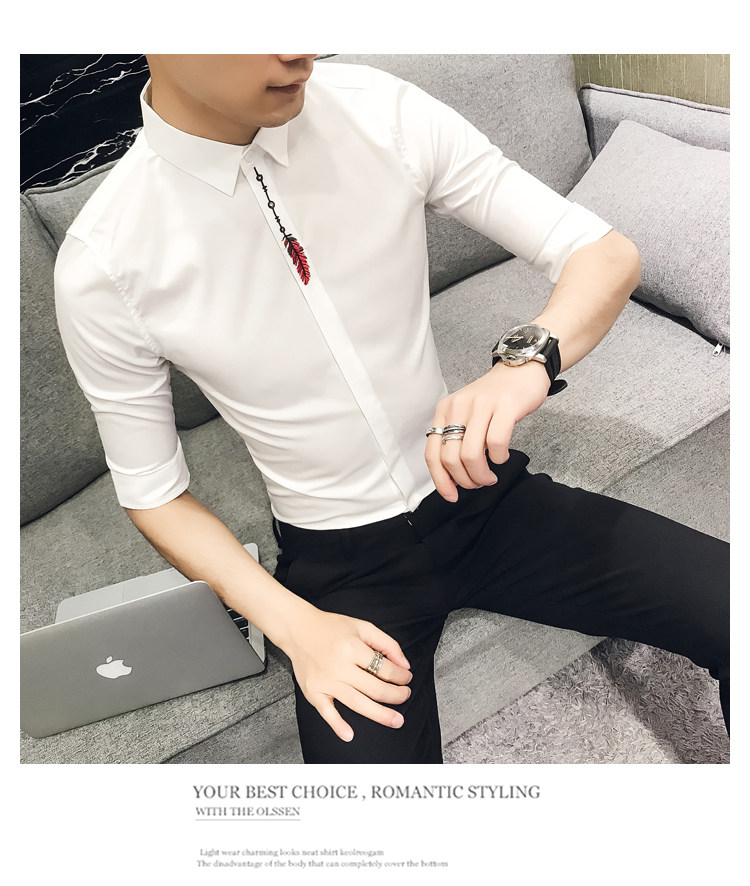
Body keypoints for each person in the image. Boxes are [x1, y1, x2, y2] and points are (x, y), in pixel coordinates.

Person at [54, 54, 729, 763]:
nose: (299, 46)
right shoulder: (105, 262)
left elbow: (602, 253)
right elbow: (154, 494)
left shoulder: (377, 111)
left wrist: (525, 363)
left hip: (485, 497)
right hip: (344, 568)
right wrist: (294, 626)